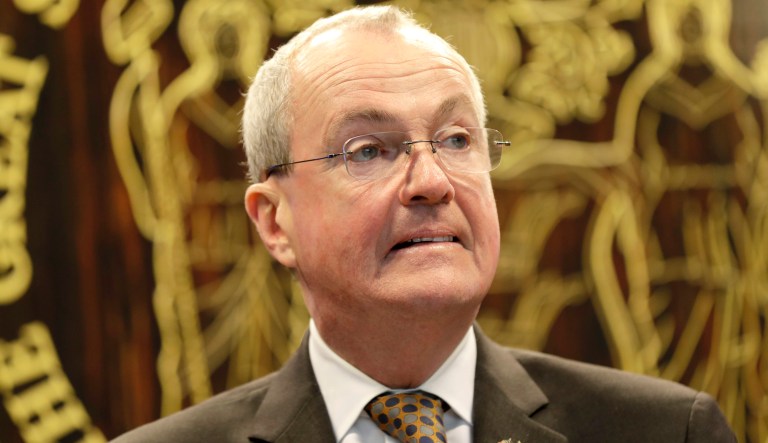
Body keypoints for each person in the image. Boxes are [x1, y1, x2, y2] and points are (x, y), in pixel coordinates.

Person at [112, 5, 736, 443]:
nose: (432, 181)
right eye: (367, 151)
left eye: (456, 138)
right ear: (275, 222)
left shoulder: (665, 431)